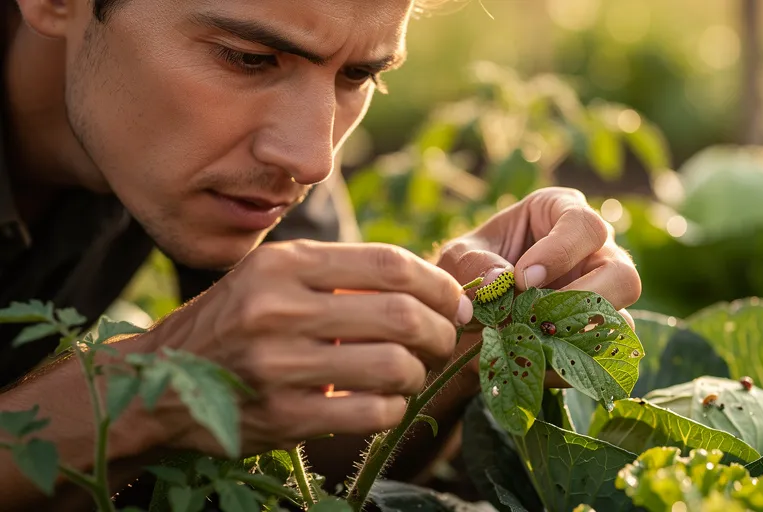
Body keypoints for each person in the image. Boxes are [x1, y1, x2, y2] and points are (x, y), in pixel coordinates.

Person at [0, 0, 642, 509]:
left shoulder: (247, 156)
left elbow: (313, 454)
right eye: (248, 58)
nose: (313, 156)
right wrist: (154, 382)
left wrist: (455, 338)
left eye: (358, 74)